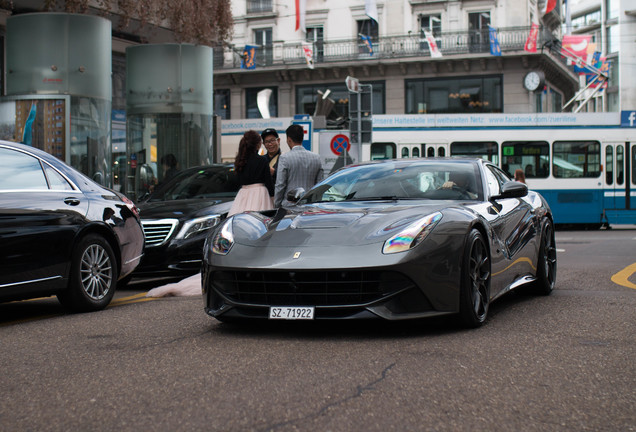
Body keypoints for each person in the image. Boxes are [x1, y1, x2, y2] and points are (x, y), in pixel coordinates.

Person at [274, 124, 324, 207]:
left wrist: (277, 204)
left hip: (289, 205)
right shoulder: (316, 158)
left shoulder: (284, 158)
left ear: (289, 139)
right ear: (302, 138)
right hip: (310, 205)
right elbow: (320, 185)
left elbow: (280, 185)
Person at [227, 130, 274, 217]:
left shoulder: (240, 161)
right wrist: (273, 198)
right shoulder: (262, 160)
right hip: (260, 194)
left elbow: (237, 181)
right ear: (258, 144)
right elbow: (269, 182)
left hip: (242, 195)